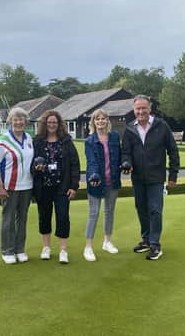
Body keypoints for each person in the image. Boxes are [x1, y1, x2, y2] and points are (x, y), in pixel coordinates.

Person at [121, 95, 180, 260]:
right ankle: (146, 240)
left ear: (150, 109)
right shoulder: (129, 129)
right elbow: (125, 152)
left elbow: (173, 151)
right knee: (141, 209)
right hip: (137, 177)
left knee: (155, 210)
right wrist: (127, 163)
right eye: (138, 109)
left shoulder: (162, 126)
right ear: (134, 110)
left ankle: (155, 244)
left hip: (156, 177)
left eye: (143, 108)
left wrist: (173, 175)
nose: (140, 111)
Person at [32, 110, 80, 264]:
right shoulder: (37, 142)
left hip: (62, 187)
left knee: (63, 217)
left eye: (54, 122)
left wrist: (74, 186)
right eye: (49, 122)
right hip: (43, 187)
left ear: (59, 124)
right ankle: (46, 248)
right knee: (44, 217)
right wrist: (36, 168)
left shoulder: (66, 141)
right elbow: (29, 164)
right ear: (44, 124)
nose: (52, 125)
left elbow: (75, 165)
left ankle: (63, 250)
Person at [0, 107, 35, 265]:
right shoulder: (4, 139)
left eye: (21, 119)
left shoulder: (29, 138)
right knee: (8, 220)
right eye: (15, 119)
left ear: (25, 121)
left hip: (27, 185)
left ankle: (20, 249)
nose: (18, 122)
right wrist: (0, 186)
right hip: (9, 186)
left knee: (22, 219)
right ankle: (7, 251)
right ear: (10, 121)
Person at [83, 109, 122, 262]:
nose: (100, 121)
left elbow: (120, 156)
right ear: (93, 122)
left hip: (112, 180)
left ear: (107, 121)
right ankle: (88, 247)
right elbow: (91, 161)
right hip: (95, 181)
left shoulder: (114, 137)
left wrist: (125, 165)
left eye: (103, 118)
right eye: (97, 119)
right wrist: (94, 175)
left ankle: (107, 242)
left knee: (109, 211)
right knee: (94, 213)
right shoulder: (89, 141)